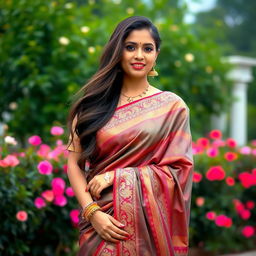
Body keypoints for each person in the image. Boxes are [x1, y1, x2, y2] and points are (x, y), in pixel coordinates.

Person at [66, 16, 194, 256]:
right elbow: (73, 165)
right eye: (130, 47)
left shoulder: (172, 107)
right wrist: (92, 213)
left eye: (148, 48)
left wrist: (117, 176)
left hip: (149, 230)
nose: (139, 55)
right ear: (118, 51)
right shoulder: (91, 105)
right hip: (99, 224)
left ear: (156, 54)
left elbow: (179, 170)